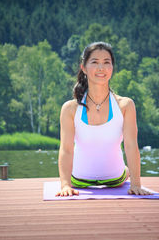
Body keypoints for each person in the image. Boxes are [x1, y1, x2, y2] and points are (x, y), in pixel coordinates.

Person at [56, 42, 150, 197]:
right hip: (78, 180)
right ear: (84, 68)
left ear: (112, 68)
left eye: (107, 62)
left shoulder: (125, 105)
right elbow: (66, 149)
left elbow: (131, 146)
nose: (101, 68)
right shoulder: (70, 108)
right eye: (95, 62)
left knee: (124, 170)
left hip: (116, 179)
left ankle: (126, 171)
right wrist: (65, 185)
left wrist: (136, 184)